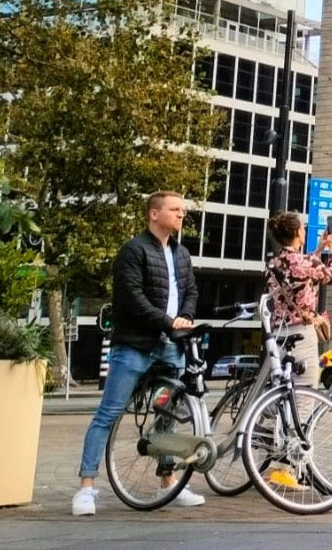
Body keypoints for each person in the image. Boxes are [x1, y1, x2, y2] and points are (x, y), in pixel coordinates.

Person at [72, 191, 202, 516]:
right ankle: (86, 488)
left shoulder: (181, 253)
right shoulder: (133, 250)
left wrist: (184, 319)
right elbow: (132, 297)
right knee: (109, 413)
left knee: (167, 416)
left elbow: (190, 290)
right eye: (174, 209)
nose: (181, 214)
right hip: (135, 345)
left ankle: (168, 483)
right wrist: (169, 321)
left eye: (182, 210)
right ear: (154, 214)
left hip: (172, 346)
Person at [264, 212, 332, 381]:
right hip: (301, 335)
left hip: (278, 335)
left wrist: (319, 249)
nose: (305, 232)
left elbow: (300, 273)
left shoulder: (273, 263)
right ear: (297, 233)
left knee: (283, 391)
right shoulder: (305, 262)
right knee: (305, 393)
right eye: (303, 229)